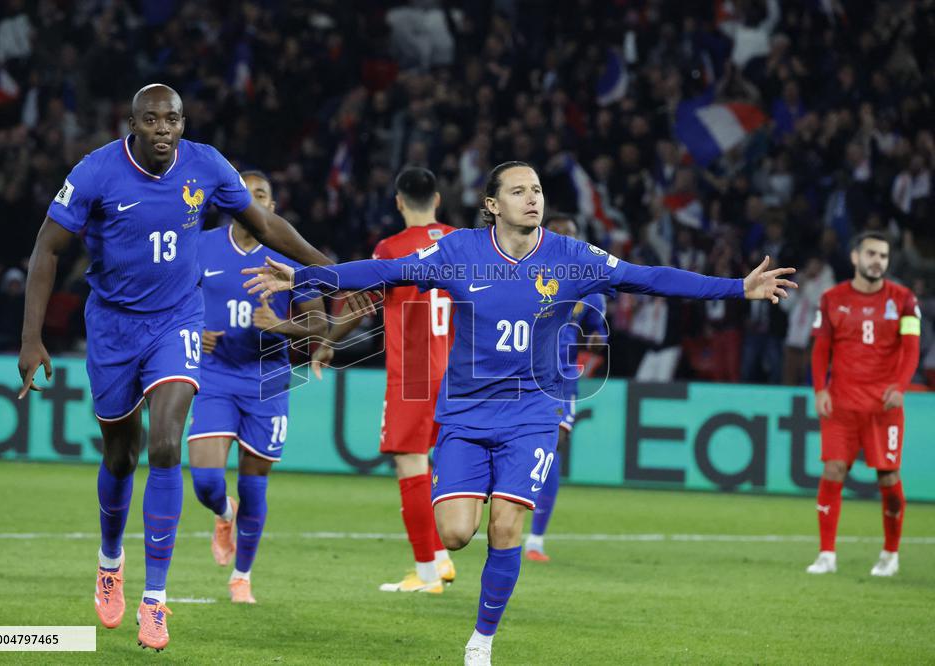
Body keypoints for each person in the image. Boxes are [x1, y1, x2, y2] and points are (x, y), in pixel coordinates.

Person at [244, 161, 796, 666]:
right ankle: (465, 560)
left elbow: (649, 277)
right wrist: (305, 278)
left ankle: (481, 641)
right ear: (492, 204)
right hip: (463, 411)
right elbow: (383, 273)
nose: (532, 199)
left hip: (533, 410)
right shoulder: (459, 251)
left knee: (507, 525)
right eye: (518, 191)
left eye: (535, 190)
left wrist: (737, 288)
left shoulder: (572, 257)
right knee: (457, 534)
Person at [16, 84, 338, 651]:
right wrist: (31, 337)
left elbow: (263, 224)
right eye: (151, 119)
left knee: (166, 445)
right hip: (114, 327)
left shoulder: (207, 165)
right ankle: (110, 560)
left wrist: (328, 267)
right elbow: (47, 249)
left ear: (183, 123)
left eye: (173, 119)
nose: (163, 128)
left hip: (176, 322)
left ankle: (155, 601)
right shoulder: (95, 173)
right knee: (122, 454)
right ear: (132, 124)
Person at [313, 167, 457, 593]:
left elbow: (360, 304)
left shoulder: (391, 250)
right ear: (437, 200)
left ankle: (427, 573)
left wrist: (326, 343)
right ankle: (442, 557)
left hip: (414, 373)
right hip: (463, 371)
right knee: (444, 464)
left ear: (398, 202)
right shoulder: (464, 242)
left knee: (411, 464)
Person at [187, 170, 326, 603]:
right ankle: (224, 513)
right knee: (207, 482)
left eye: (261, 194)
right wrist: (192, 326)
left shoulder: (288, 255)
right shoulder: (201, 245)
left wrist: (282, 326)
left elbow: (320, 325)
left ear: (273, 207)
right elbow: (171, 297)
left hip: (267, 381)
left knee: (254, 483)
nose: (252, 200)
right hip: (213, 374)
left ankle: (241, 577)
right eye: (244, 194)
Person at [806, 232, 921, 577]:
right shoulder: (831, 299)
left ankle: (890, 553)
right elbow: (820, 348)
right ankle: (827, 554)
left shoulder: (904, 300)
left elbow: (912, 348)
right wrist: (819, 389)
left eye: (883, 256)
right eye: (871, 254)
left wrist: (900, 386)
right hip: (841, 403)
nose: (878, 261)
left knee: (889, 478)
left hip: (883, 406)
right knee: (833, 470)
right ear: (855, 257)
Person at [524, 214, 607, 563]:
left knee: (555, 442)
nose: (567, 239)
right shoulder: (522, 272)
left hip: (560, 378)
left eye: (572, 233)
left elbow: (597, 329)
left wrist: (596, 341)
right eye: (560, 233)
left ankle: (535, 541)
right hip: (516, 371)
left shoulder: (587, 282)